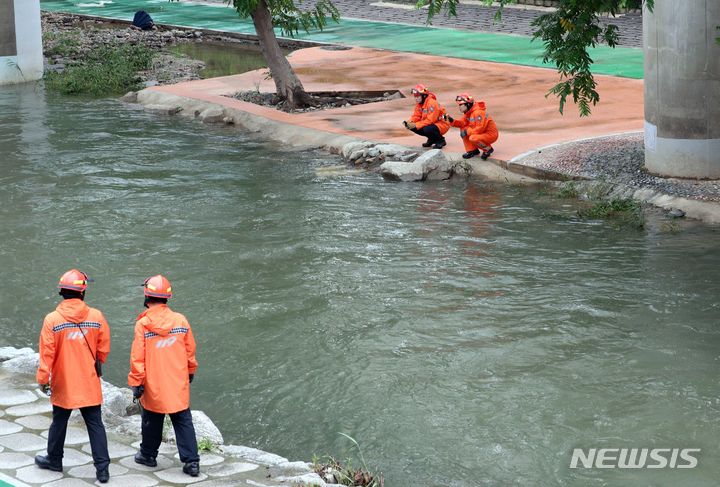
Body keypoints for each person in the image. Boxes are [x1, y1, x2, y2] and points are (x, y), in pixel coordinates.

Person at [35, 269, 111, 484]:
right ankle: (103, 470)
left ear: (62, 292)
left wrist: (43, 379)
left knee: (59, 422)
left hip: (64, 381)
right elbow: (103, 348)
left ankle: (54, 460)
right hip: (88, 379)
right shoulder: (96, 317)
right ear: (83, 292)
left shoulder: (52, 320)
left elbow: (46, 353)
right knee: (95, 424)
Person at [128, 275, 200, 477]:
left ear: (146, 295)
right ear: (167, 297)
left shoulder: (143, 324)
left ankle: (148, 455)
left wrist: (136, 382)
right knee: (183, 420)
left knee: (152, 419)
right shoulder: (180, 320)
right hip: (177, 382)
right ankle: (192, 463)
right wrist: (190, 371)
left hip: (154, 383)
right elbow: (190, 351)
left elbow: (138, 357)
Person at [445, 93, 499, 160]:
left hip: (491, 135)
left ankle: (488, 149)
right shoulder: (468, 113)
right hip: (482, 133)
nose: (459, 107)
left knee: (472, 138)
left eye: (461, 105)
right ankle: (472, 150)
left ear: (468, 104)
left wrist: (467, 132)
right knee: (463, 129)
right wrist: (451, 120)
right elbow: (462, 124)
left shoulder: (478, 112)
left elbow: (480, 129)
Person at [403, 84, 450, 149]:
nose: (416, 98)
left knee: (427, 129)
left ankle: (440, 140)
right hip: (433, 123)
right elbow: (416, 116)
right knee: (412, 127)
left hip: (443, 124)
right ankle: (432, 139)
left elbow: (431, 120)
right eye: (415, 96)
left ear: (424, 95)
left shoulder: (432, 103)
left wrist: (416, 125)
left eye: (417, 96)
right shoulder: (419, 104)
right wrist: (410, 122)